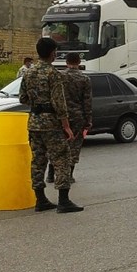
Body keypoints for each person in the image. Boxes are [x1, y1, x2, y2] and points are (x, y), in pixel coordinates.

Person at [19, 37, 84, 213]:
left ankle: (40, 200)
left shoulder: (28, 72)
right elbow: (59, 103)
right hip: (52, 124)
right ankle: (64, 201)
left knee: (38, 161)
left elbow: (22, 98)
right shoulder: (53, 74)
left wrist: (37, 105)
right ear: (52, 53)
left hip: (34, 122)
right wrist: (66, 126)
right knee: (62, 158)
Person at [47, 52, 92, 183]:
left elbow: (53, 97)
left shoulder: (59, 76)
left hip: (59, 116)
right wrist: (88, 120)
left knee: (56, 145)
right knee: (74, 146)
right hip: (77, 117)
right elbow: (87, 101)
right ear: (79, 62)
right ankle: (69, 175)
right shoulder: (84, 79)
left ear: (66, 62)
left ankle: (50, 174)